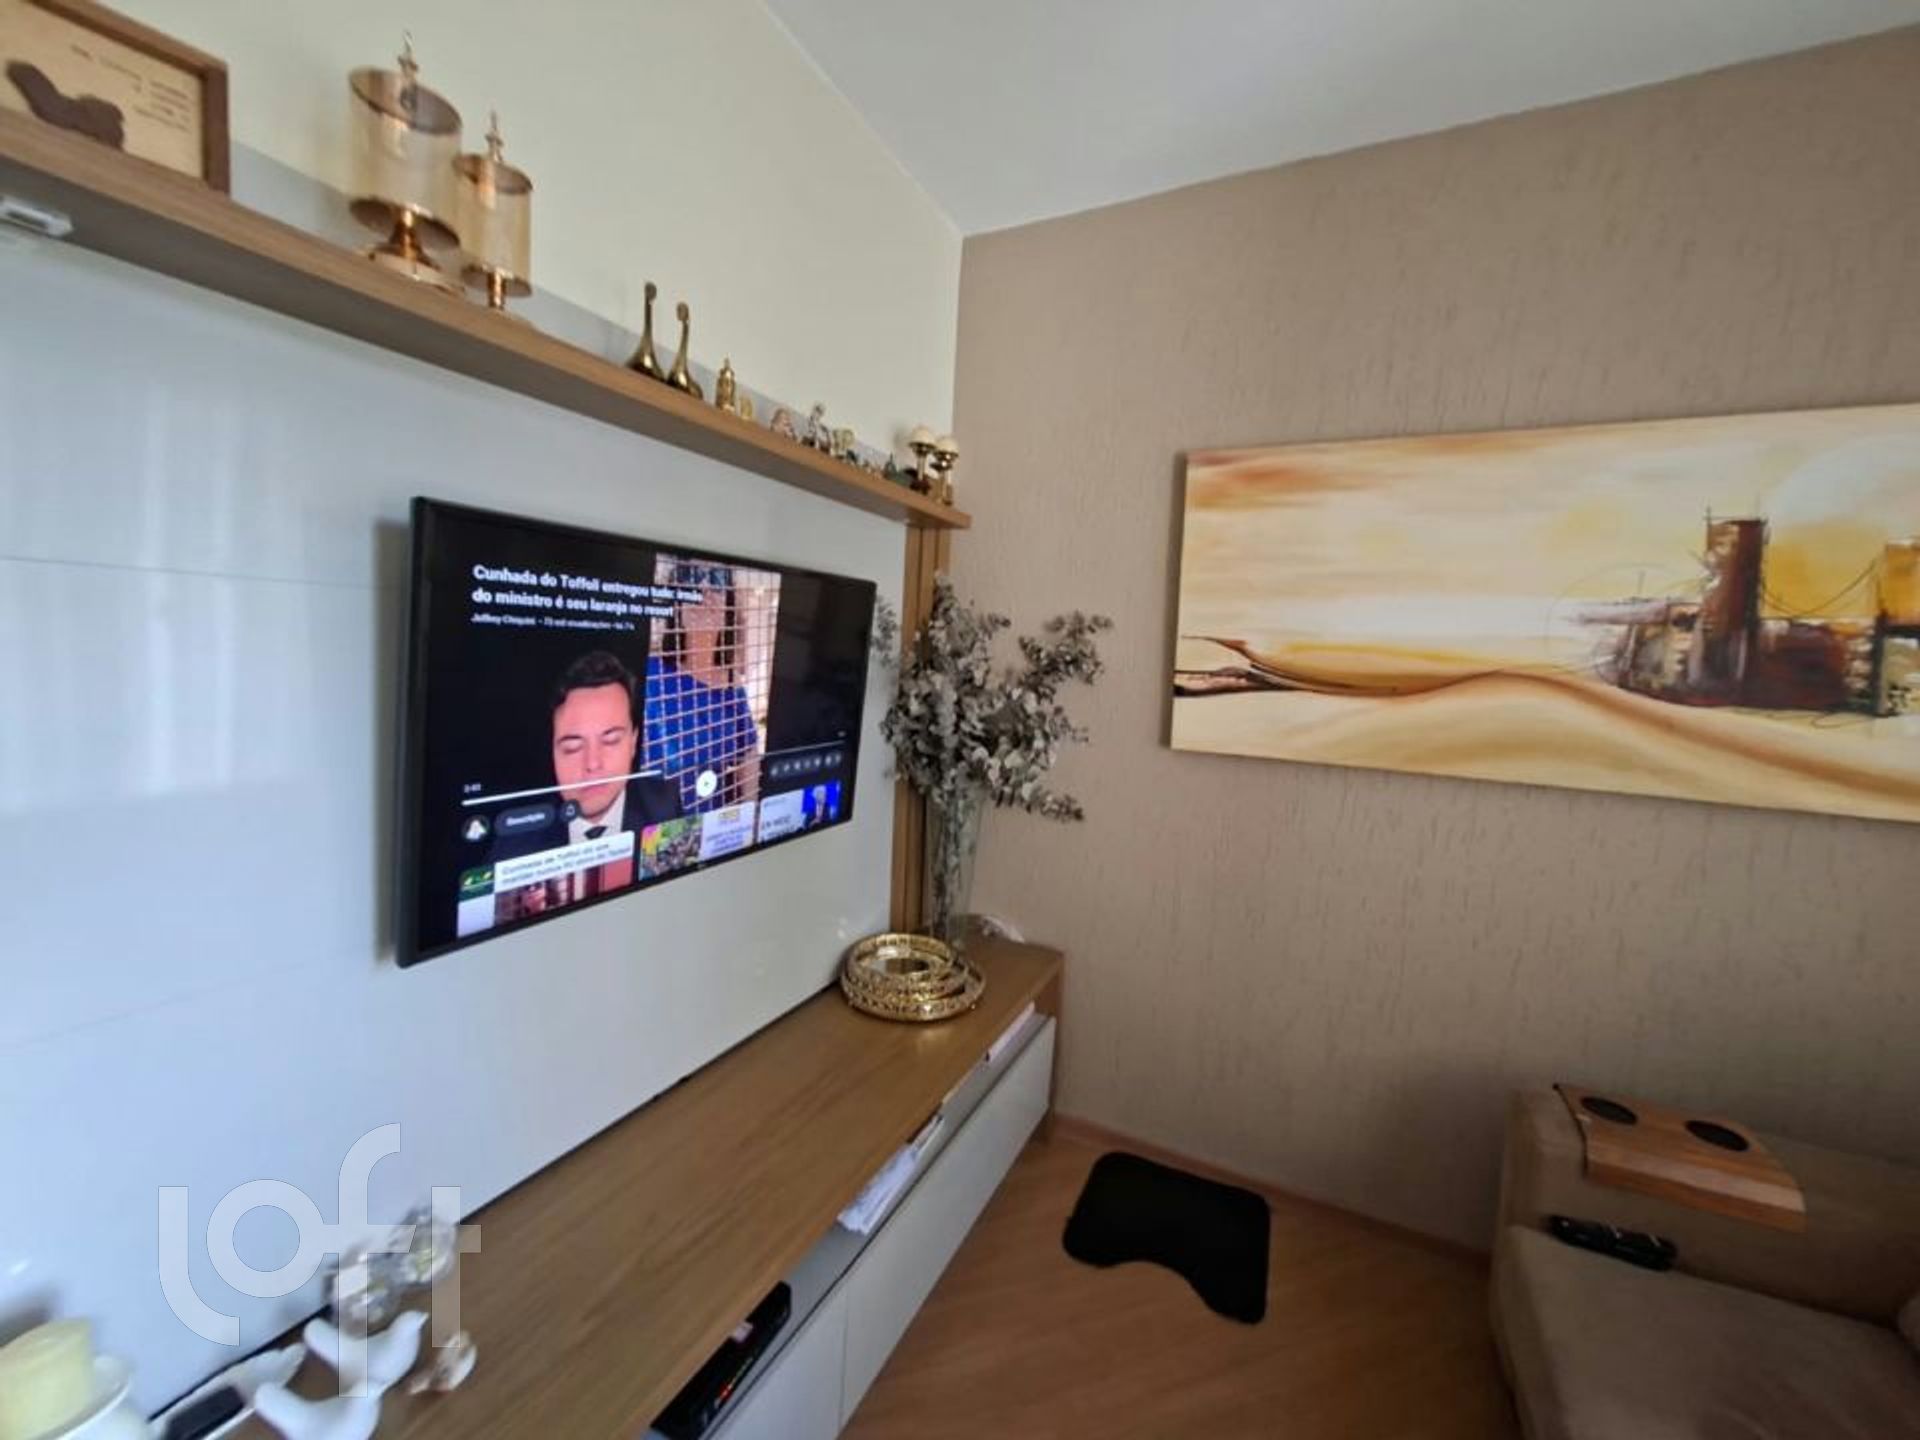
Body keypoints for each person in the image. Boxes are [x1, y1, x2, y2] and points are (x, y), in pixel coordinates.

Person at [491, 652, 681, 890]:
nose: (592, 763)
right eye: (573, 747)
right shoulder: (515, 842)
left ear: (633, 742)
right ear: (552, 751)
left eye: (611, 740)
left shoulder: (665, 805)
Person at [644, 561, 762, 814]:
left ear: (729, 606)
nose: (704, 587)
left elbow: (748, 754)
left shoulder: (732, 684)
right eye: (690, 577)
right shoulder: (648, 674)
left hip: (710, 830)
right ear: (676, 603)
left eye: (717, 579)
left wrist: (749, 818)